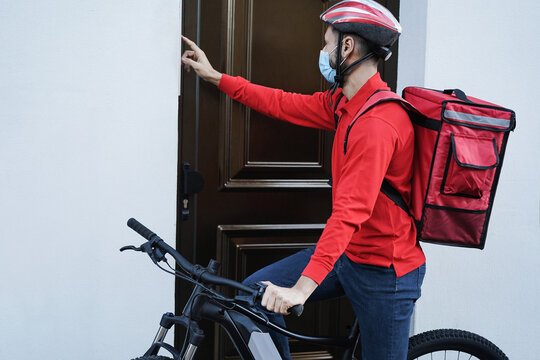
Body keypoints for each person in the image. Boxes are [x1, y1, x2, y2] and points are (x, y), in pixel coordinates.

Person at [181, 1, 426, 358]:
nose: (323, 53)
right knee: (256, 296)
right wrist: (217, 77)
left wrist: (301, 289)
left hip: (385, 273)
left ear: (347, 47)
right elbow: (282, 103)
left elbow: (349, 213)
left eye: (327, 44)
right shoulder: (345, 104)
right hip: (349, 256)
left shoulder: (378, 123)